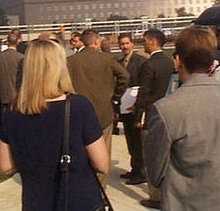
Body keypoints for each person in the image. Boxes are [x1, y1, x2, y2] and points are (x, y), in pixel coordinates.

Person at [144, 26, 220, 211]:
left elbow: (155, 172)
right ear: (212, 61)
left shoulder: (165, 109)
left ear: (178, 60)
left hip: (187, 202)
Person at [0, 39, 109, 210]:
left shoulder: (13, 111)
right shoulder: (78, 106)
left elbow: (6, 167)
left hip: (36, 201)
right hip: (78, 200)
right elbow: (102, 164)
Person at [67, 29, 129, 187]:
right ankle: (100, 188)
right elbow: (125, 76)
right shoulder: (107, 59)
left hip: (78, 113)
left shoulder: (71, 61)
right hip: (104, 112)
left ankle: (82, 184)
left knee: (81, 151)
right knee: (104, 151)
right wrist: (116, 96)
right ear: (96, 42)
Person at [133, 29, 175, 207]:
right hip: (170, 112)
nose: (143, 44)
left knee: (151, 155)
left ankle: (155, 195)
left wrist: (137, 114)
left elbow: (144, 92)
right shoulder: (170, 62)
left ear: (152, 42)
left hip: (151, 113)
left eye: (144, 40)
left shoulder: (148, 65)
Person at [116, 33, 148, 185]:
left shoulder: (141, 62)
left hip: (135, 105)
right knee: (129, 137)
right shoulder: (119, 62)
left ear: (132, 44)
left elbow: (144, 84)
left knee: (137, 139)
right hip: (124, 105)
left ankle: (140, 171)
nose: (124, 47)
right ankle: (134, 168)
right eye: (122, 44)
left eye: (127, 43)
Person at [0, 33, 24, 113]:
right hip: (18, 94)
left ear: (7, 42)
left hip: (3, 93)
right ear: (17, 42)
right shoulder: (21, 57)